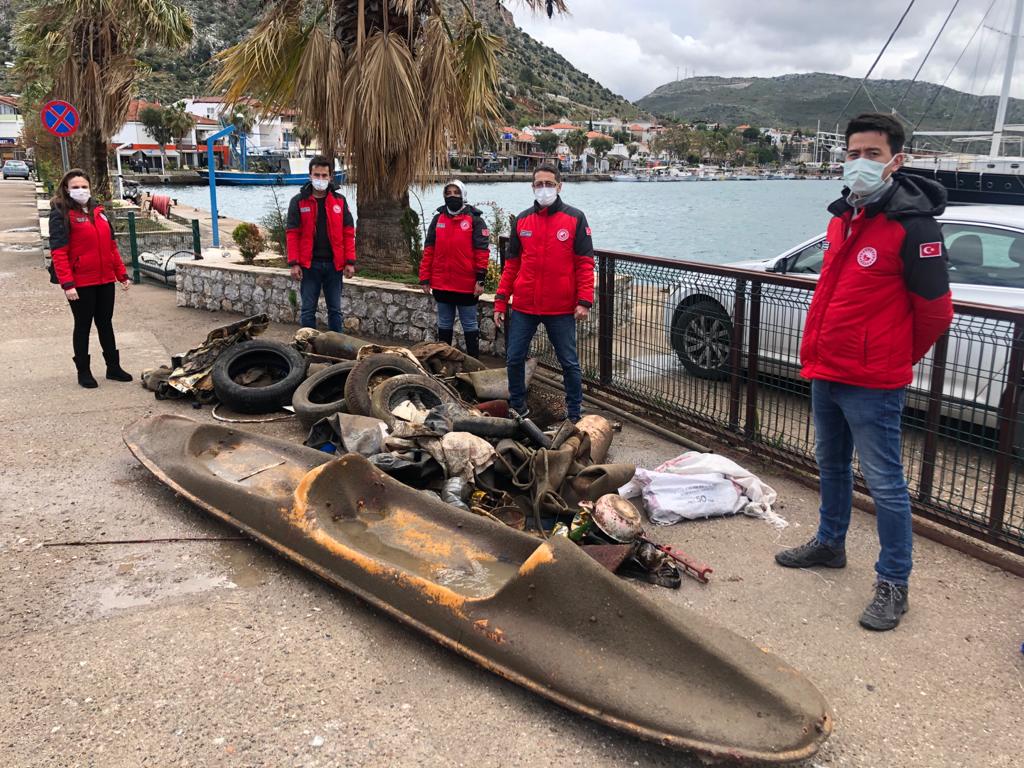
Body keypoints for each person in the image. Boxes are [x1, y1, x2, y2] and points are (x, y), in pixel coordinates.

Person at [775, 113, 954, 632]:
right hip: (828, 369)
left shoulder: (913, 226)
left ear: (897, 160)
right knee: (830, 466)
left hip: (874, 382)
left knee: (886, 484)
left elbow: (936, 312)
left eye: (872, 154)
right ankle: (831, 544)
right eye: (853, 153)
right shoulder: (842, 218)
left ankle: (894, 581)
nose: (859, 162)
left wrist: (893, 357)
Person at [494, 164, 594, 422]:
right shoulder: (523, 220)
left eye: (549, 184)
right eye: (539, 184)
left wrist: (584, 301)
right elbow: (512, 264)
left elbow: (584, 262)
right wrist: (500, 300)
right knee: (514, 358)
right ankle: (518, 406)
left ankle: (574, 413)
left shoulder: (575, 218)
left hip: (560, 308)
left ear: (560, 186)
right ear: (532, 187)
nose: (544, 189)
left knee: (569, 363)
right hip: (525, 306)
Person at [49, 168, 134, 388]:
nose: (80, 190)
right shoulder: (61, 213)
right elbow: (59, 252)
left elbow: (111, 247)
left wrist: (121, 274)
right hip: (80, 282)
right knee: (83, 325)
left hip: (105, 279)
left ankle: (113, 368)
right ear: (66, 189)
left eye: (84, 186)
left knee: (105, 323)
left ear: (90, 187)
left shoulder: (99, 211)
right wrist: (67, 284)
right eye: (75, 187)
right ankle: (84, 372)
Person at [418, 180, 490, 358]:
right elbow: (429, 251)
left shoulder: (475, 220)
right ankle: (443, 361)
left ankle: (474, 363)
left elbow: (482, 253)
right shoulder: (438, 219)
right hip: (442, 285)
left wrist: (480, 280)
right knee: (444, 324)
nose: (452, 196)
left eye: (456, 192)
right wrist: (425, 278)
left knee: (470, 325)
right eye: (448, 193)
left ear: (463, 195)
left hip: (466, 286)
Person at [286, 156, 356, 332]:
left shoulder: (339, 201)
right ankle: (307, 349)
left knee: (335, 311)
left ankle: (336, 353)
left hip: (334, 266)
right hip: (309, 266)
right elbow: (292, 234)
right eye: (317, 175)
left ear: (331, 177)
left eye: (324, 175)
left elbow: (348, 232)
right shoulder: (298, 201)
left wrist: (350, 261)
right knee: (308, 311)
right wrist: (294, 263)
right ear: (310, 175)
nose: (321, 179)